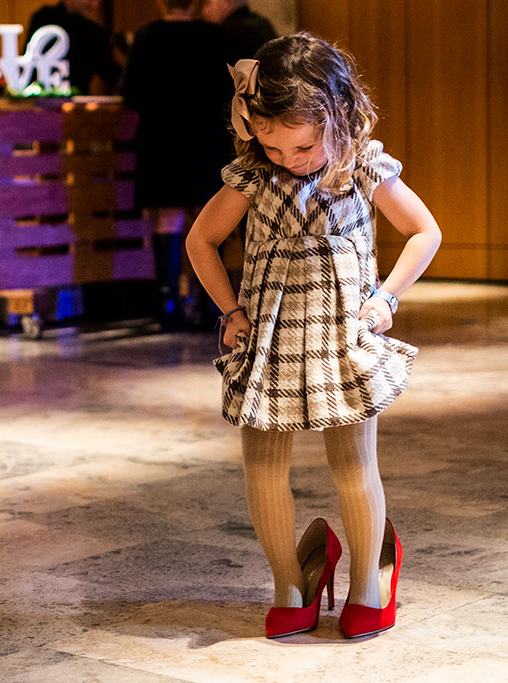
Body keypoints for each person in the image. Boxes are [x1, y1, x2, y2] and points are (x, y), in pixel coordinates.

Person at [186, 33, 441, 639]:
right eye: (272, 144)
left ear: (342, 115)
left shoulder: (364, 169)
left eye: (302, 144)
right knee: (262, 467)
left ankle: (367, 583)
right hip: (269, 339)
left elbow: (424, 231)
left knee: (353, 464)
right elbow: (201, 240)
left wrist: (387, 297)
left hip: (342, 335)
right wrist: (230, 311)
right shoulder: (251, 175)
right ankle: (288, 583)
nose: (289, 158)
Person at [121, 0, 232, 330]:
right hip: (207, 138)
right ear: (196, 2)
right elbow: (229, 90)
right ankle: (213, 304)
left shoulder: (146, 37)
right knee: (210, 216)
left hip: (162, 138)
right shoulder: (216, 36)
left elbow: (130, 93)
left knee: (167, 216)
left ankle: (167, 303)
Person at [27, 0, 122, 95]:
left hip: (78, 105)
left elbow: (110, 71)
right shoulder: (44, 18)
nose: (94, 4)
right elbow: (29, 66)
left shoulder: (94, 32)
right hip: (40, 102)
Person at [201, 0, 277, 64]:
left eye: (208, 3)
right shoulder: (262, 23)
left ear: (226, 3)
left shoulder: (227, 33)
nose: (206, 11)